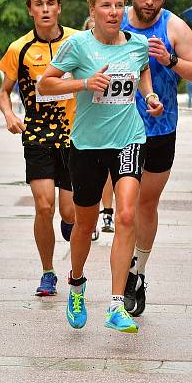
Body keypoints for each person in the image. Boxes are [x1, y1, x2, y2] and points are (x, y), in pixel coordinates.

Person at [39, 0, 164, 334]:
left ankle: (115, 305)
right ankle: (76, 284)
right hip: (88, 146)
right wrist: (84, 82)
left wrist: (150, 97)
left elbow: (142, 73)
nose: (113, 12)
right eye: (106, 5)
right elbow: (46, 84)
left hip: (129, 138)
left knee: (126, 215)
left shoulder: (137, 44)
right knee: (85, 224)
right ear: (92, 9)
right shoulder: (78, 47)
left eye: (119, 5)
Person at [121, 0, 192, 316]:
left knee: (145, 205)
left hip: (161, 130)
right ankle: (121, 277)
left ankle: (137, 272)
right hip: (120, 128)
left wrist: (172, 61)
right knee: (125, 208)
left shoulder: (173, 26)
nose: (149, 1)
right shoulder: (114, 17)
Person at [0, 0, 79, 298]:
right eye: (38, 4)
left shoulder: (78, 41)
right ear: (30, 10)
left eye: (50, 3)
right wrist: (9, 115)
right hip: (38, 135)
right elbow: (4, 93)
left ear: (59, 7)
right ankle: (48, 272)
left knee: (69, 213)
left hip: (75, 136)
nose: (45, 9)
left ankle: (74, 235)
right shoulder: (20, 49)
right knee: (44, 207)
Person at [83, 16, 115, 233]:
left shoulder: (115, 54)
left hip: (112, 126)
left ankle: (107, 214)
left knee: (110, 176)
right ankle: (89, 219)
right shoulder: (79, 52)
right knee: (88, 179)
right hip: (86, 128)